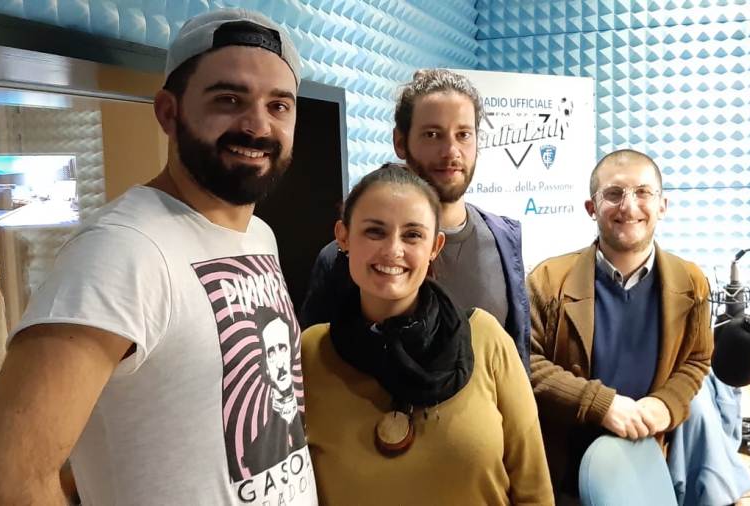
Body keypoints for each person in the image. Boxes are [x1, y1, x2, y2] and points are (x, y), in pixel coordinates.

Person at [0, 8, 318, 506]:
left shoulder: (259, 235)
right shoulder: (120, 249)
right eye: (229, 99)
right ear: (168, 112)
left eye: (278, 105)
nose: (258, 125)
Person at [301, 164, 553, 505]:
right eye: (375, 231)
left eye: (412, 235)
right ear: (343, 237)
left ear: (435, 246)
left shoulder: (485, 339)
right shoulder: (311, 353)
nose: (393, 250)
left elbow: (534, 492)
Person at [299, 69, 530, 371]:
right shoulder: (346, 258)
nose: (451, 151)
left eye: (463, 134)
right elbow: (314, 371)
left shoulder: (504, 242)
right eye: (432, 134)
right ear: (400, 141)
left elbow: (516, 365)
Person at [527, 149, 714, 502]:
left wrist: (666, 404)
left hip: (640, 468)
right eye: (613, 194)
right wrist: (601, 405)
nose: (628, 206)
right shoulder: (548, 280)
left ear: (662, 205)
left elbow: (697, 359)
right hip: (560, 473)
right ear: (591, 207)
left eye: (643, 192)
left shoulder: (692, 282)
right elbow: (527, 363)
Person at [241, 307, 306, 477]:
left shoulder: (313, 416)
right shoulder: (254, 452)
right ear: (266, 366)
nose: (279, 363)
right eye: (271, 353)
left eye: (283, 348)